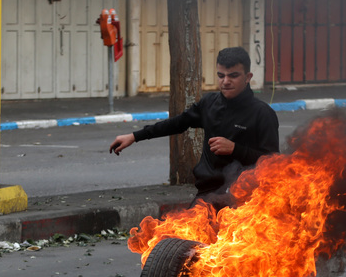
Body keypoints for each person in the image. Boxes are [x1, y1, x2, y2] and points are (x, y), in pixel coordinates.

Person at [109, 46, 280, 207]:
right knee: (184, 235)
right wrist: (134, 136)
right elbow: (177, 123)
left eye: (233, 76)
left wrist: (235, 149)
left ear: (248, 77)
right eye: (221, 76)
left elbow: (273, 164)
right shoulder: (209, 103)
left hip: (244, 198)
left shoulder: (262, 113)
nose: (226, 81)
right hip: (207, 193)